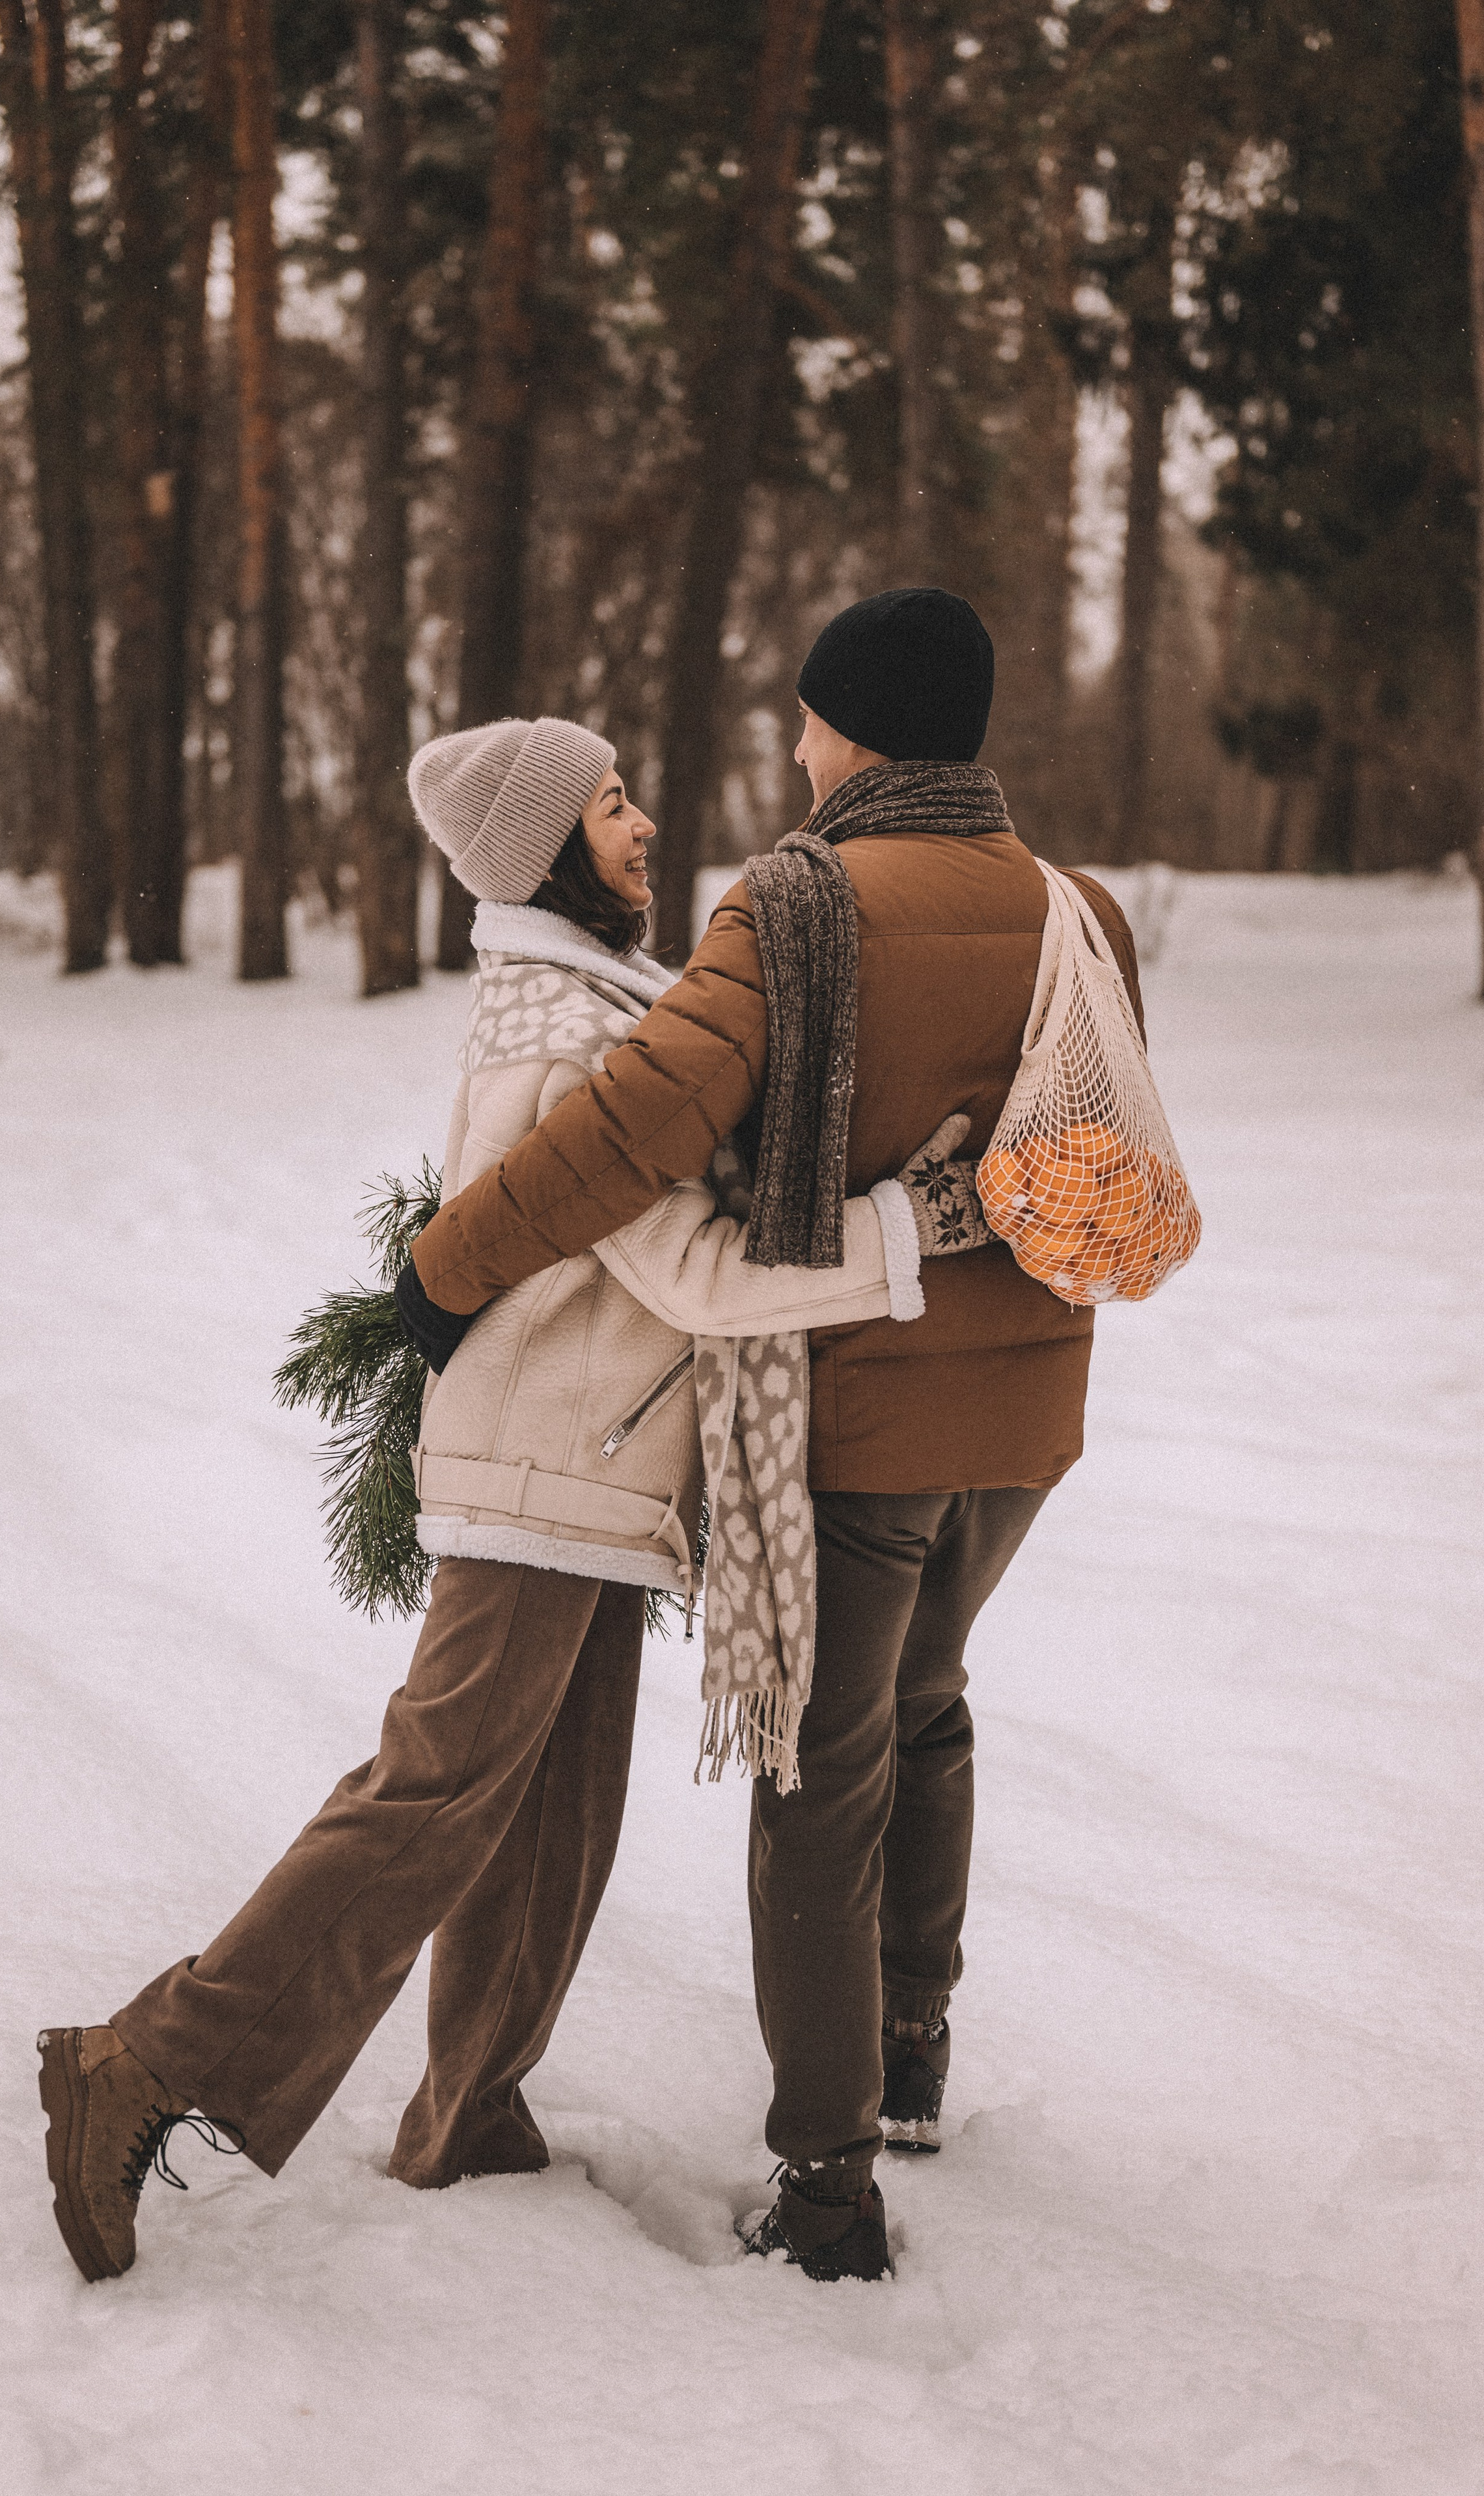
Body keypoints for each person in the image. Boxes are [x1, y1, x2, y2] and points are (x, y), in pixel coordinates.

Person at [37, 712, 981, 2285]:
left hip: (594, 1470)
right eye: (607, 804)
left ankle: (468, 2108)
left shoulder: (602, 997)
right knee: (431, 1800)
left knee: (552, 1819)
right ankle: (142, 2064)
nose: (638, 820)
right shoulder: (572, 1031)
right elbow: (684, 1269)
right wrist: (906, 1229)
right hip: (552, 1467)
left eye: (627, 788)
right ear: (543, 849)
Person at [396, 590, 1146, 2283]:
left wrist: (452, 1261)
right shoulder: (1075, 908)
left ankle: (827, 2179)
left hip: (864, 1413)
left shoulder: (794, 903)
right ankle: (915, 2045)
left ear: (855, 725)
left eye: (807, 718)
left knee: (825, 1769)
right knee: (935, 1699)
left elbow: (630, 1130)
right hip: (1029, 1413)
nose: (793, 748)